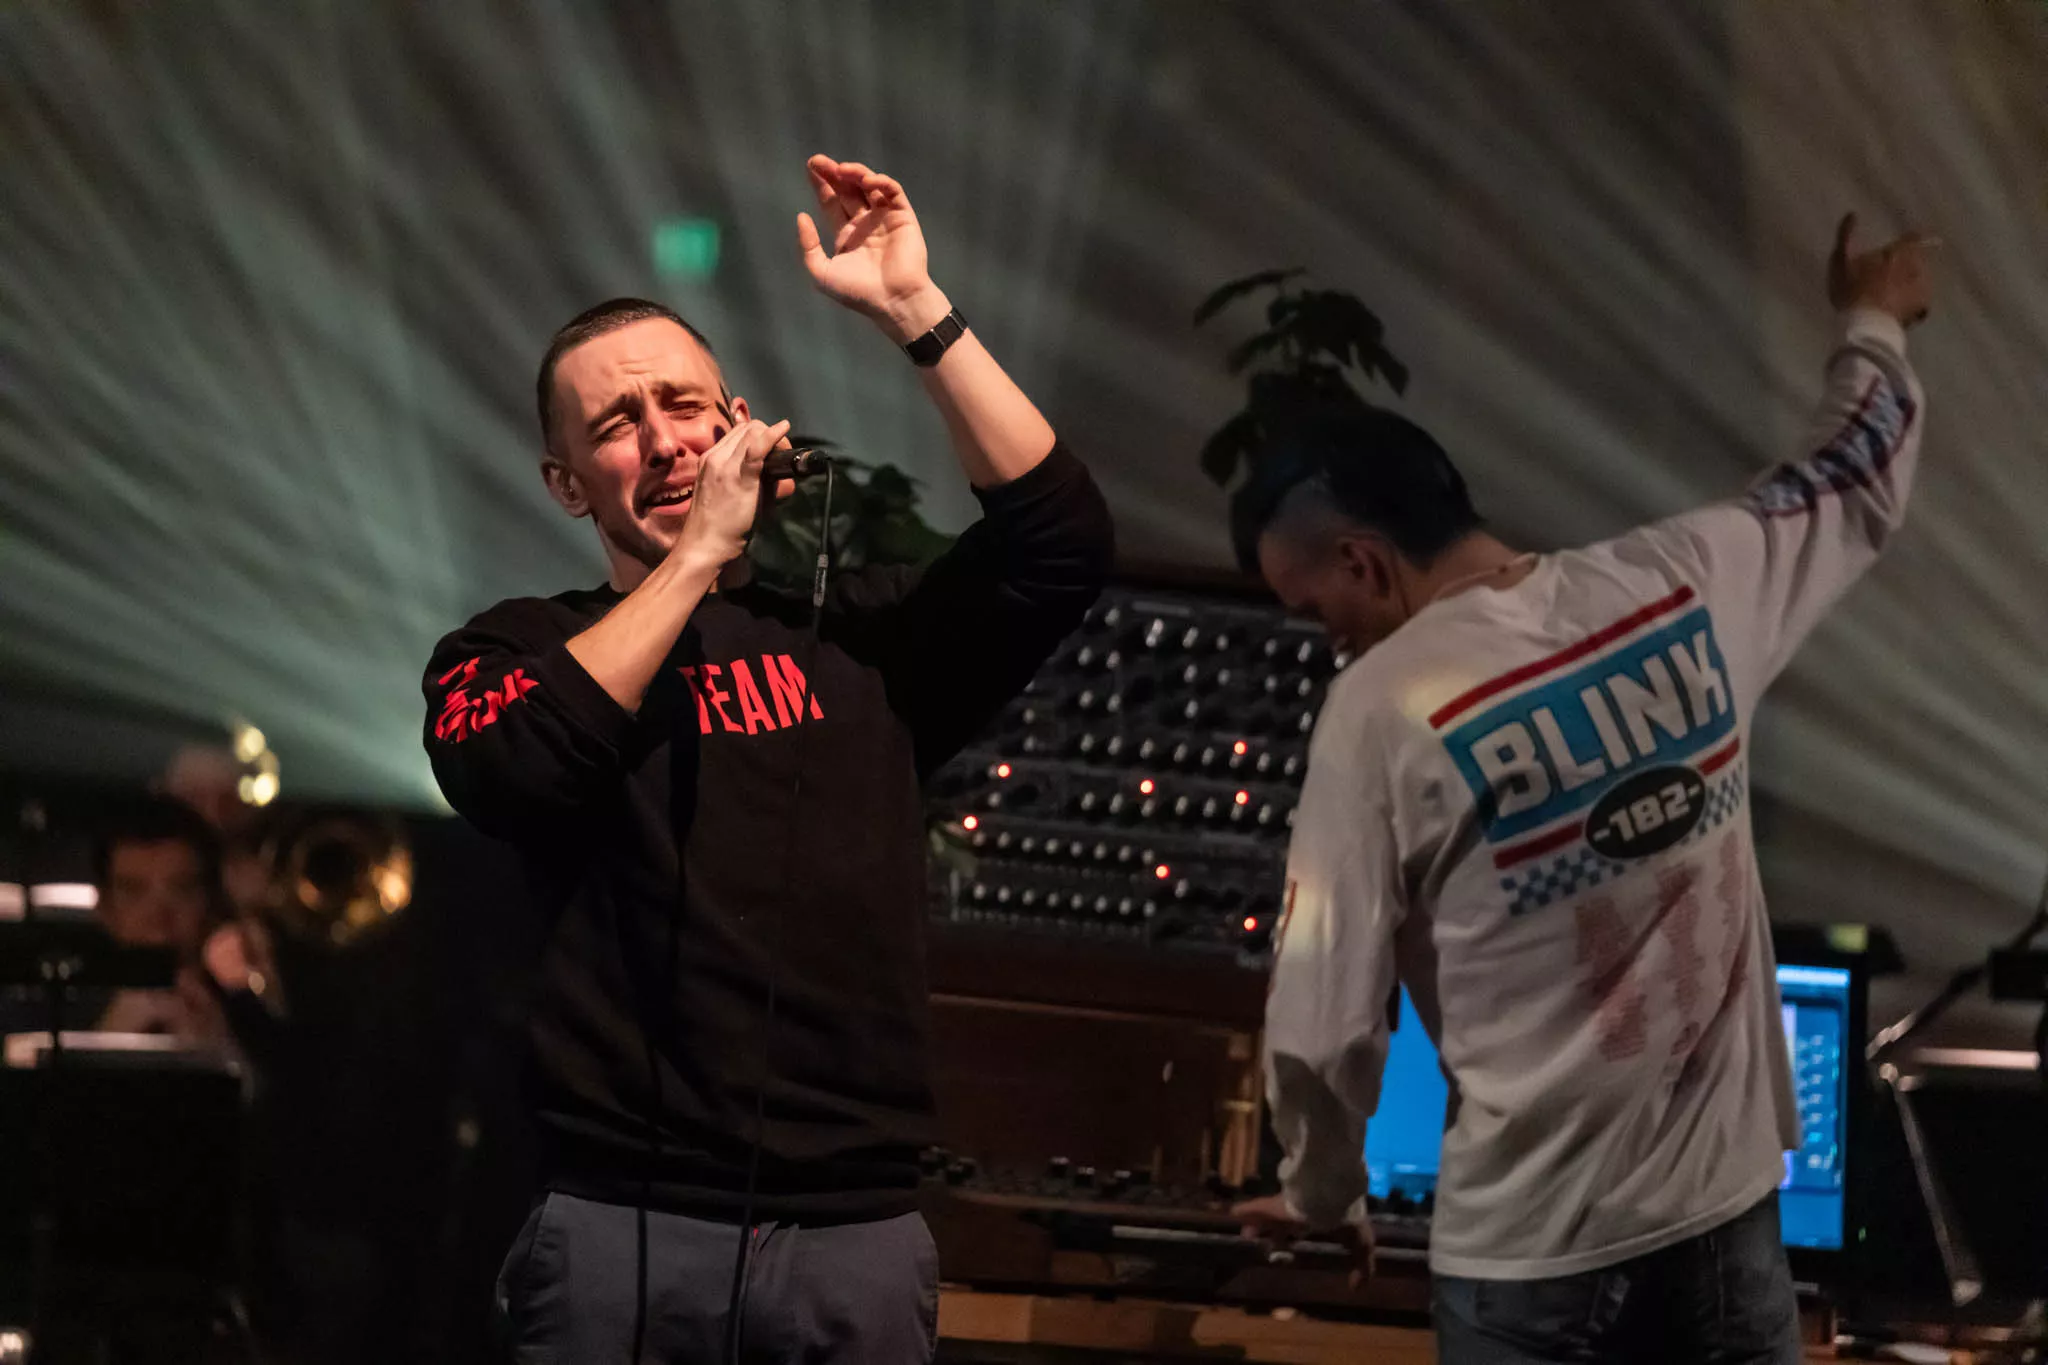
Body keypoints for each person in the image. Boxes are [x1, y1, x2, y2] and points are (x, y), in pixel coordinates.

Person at [423, 154, 1112, 1362]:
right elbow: (513, 769)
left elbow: (1059, 542)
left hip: (850, 1228)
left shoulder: (858, 637)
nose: (663, 441)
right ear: (566, 485)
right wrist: (696, 556)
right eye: (617, 426)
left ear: (736, 422)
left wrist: (913, 309)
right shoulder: (518, 647)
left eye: (684, 406)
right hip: (620, 1221)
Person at [1229, 215, 1934, 1363]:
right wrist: (1871, 320)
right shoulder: (1679, 586)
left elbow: (1321, 1019)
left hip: (1528, 1262)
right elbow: (1844, 475)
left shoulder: (1374, 711)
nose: (1329, 641)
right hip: (1721, 1233)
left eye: (1318, 611)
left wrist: (1320, 1190)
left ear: (1361, 559)